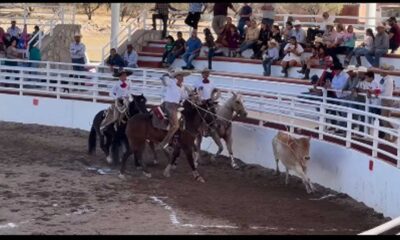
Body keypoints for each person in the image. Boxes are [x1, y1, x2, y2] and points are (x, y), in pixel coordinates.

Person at [157, 68, 191, 150]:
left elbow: (183, 96)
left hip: (176, 106)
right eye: (181, 76)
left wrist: (191, 95)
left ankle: (176, 138)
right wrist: (167, 75)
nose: (182, 78)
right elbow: (165, 81)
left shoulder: (182, 86)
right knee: (176, 125)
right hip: (169, 105)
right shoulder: (171, 82)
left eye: (183, 76)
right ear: (177, 77)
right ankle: (164, 143)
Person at [100, 69, 133, 133]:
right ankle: (108, 126)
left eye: (125, 75)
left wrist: (128, 96)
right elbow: (111, 93)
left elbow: (129, 91)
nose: (125, 77)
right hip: (119, 102)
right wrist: (117, 97)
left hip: (126, 100)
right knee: (116, 116)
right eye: (123, 75)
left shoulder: (129, 83)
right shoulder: (117, 84)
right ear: (120, 77)